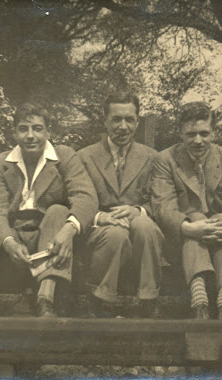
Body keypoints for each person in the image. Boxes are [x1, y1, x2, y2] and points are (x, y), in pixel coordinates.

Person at [0, 102, 97, 317]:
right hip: (12, 240)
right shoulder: (1, 162)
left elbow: (86, 196)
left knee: (58, 210)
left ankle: (46, 298)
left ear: (48, 131)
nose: (30, 136)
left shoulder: (64, 157)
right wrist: (8, 241)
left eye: (37, 129)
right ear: (14, 133)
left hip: (48, 236)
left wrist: (69, 230)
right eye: (23, 129)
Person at [151, 102, 222, 320]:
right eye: (191, 134)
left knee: (220, 218)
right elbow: (163, 206)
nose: (198, 140)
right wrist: (188, 227)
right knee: (196, 216)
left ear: (213, 132)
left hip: (221, 234)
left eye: (204, 133)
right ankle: (200, 295)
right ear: (180, 133)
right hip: (180, 240)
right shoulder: (165, 160)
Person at [78, 91, 163, 318]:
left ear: (137, 121)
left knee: (145, 226)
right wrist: (98, 217)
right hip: (99, 232)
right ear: (105, 120)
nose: (123, 126)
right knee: (114, 234)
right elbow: (75, 200)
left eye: (129, 120)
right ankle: (99, 300)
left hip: (138, 233)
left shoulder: (153, 158)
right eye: (116, 119)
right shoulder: (84, 157)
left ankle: (148, 300)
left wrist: (138, 211)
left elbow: (162, 201)